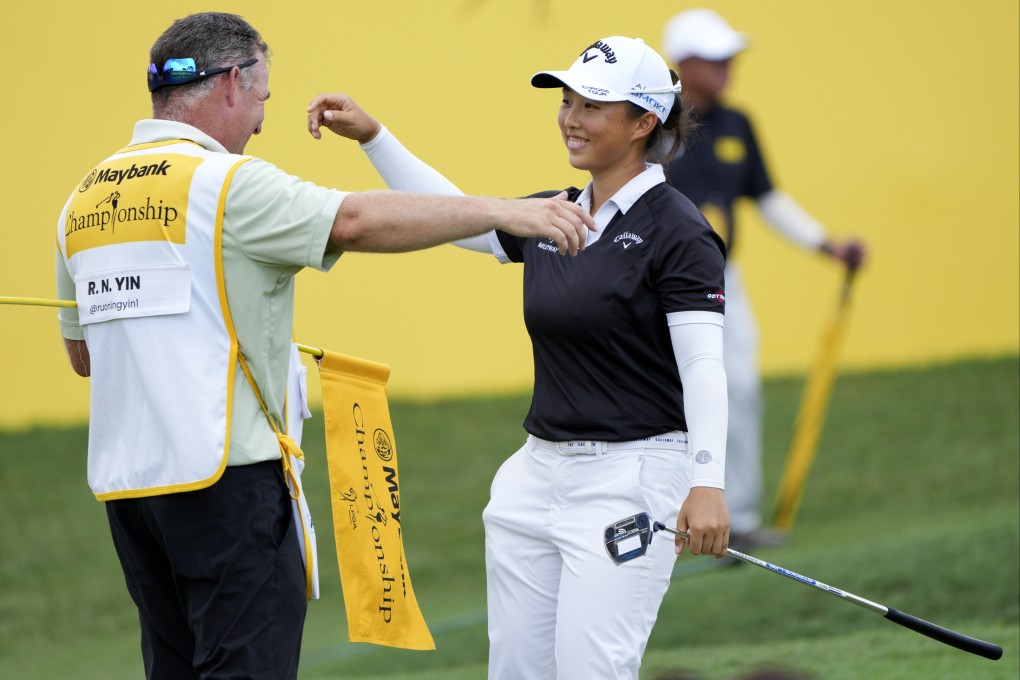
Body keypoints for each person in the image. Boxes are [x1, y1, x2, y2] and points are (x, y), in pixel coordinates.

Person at [54, 12, 593, 680]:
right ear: (231, 83)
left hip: (129, 494)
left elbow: (84, 357)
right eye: (262, 98)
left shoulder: (81, 202)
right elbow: (355, 221)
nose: (259, 122)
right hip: (227, 480)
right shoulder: (226, 182)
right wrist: (506, 211)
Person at [308, 35, 730, 679]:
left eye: (592, 105)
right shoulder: (554, 213)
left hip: (633, 478)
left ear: (644, 122)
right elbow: (457, 218)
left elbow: (703, 366)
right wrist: (374, 138)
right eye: (567, 102)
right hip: (535, 475)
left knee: (592, 670)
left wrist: (707, 483)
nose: (570, 119)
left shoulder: (679, 230)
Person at [661, 8, 867, 550]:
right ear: (683, 63)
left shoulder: (737, 123)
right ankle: (665, 522)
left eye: (730, 56)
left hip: (721, 278)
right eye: (715, 57)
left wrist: (826, 244)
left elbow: (766, 196)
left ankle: (739, 520)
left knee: (740, 389)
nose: (728, 66)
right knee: (663, 394)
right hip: (654, 281)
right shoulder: (653, 125)